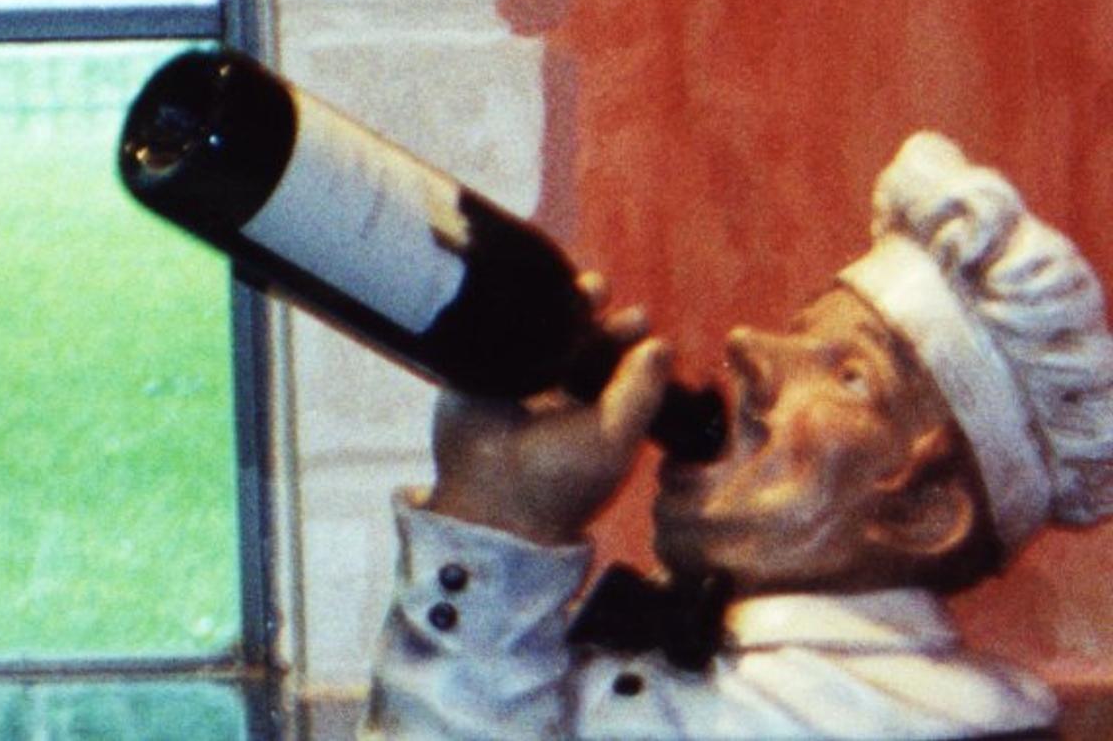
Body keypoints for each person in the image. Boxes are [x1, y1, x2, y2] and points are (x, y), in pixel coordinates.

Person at [366, 134, 1113, 738]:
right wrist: (492, 511)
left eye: (850, 375)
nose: (749, 347)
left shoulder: (848, 721)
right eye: (796, 333)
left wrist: (495, 526)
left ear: (921, 511)